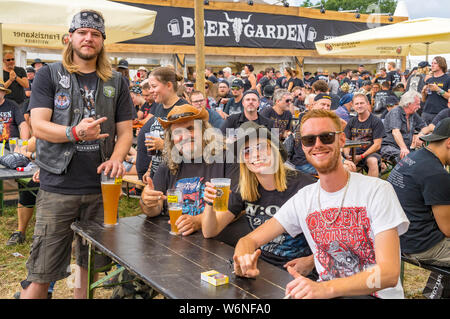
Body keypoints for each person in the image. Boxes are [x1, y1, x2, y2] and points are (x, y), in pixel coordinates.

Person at [232, 109, 409, 299]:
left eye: (326, 137)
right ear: (303, 146)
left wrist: (326, 288)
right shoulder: (304, 198)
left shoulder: (377, 190)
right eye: (309, 140)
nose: (317, 145)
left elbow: (389, 274)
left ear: (341, 140)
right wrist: (243, 260)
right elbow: (248, 240)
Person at [21, 9, 133, 299]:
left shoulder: (116, 82)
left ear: (102, 41)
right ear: (70, 38)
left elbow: (126, 132)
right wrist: (75, 132)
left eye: (95, 34)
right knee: (42, 272)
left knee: (89, 266)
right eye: (82, 32)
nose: (88, 38)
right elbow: (39, 126)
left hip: (100, 188)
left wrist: (117, 158)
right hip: (59, 185)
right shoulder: (49, 74)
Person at [202, 121, 317, 275]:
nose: (255, 155)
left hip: (299, 272)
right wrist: (209, 204)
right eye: (247, 151)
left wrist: (312, 261)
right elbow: (210, 231)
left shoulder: (304, 185)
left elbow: (337, 239)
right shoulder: (245, 188)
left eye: (261, 147)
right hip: (263, 267)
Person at [140, 103, 238, 230]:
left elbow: (235, 208)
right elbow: (155, 209)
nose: (184, 136)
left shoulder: (226, 159)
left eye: (190, 128)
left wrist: (198, 221)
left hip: (217, 242)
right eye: (177, 132)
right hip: (174, 242)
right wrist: (147, 202)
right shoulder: (168, 164)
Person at [388, 117, 450, 269]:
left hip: (400, 236)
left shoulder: (414, 156)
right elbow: (448, 229)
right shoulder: (436, 174)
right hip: (421, 245)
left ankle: (436, 292)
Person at [136, 67, 188, 183]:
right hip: (158, 175)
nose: (150, 91)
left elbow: (194, 149)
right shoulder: (159, 107)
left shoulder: (184, 110)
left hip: (176, 178)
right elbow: (155, 146)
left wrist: (164, 145)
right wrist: (150, 170)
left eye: (154, 86)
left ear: (169, 85)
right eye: (150, 87)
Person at [343, 93, 385, 177]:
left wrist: (362, 156)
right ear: (353, 106)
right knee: (345, 166)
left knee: (372, 161)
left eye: (361, 103)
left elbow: (377, 145)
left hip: (370, 153)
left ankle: (371, 188)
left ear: (367, 104)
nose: (359, 106)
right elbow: (346, 141)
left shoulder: (376, 121)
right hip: (353, 153)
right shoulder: (351, 121)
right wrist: (347, 155)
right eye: (356, 104)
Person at [381, 91, 426, 164]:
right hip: (388, 147)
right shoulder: (395, 112)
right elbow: (395, 132)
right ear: (409, 104)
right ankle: (400, 174)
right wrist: (403, 148)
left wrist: (421, 134)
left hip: (405, 149)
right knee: (409, 161)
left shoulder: (413, 114)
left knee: (423, 157)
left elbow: (424, 127)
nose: (419, 107)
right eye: (417, 104)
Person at [0, 81, 30, 147]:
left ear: (4, 92)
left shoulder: (12, 105)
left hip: (11, 145)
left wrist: (24, 145)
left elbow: (23, 125)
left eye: (1, 90)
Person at [421, 56, 450, 124]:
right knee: (424, 133)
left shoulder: (448, 79)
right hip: (426, 112)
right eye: (432, 63)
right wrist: (423, 92)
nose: (432, 65)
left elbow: (449, 96)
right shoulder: (429, 80)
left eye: (435, 63)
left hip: (441, 113)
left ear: (441, 65)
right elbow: (423, 99)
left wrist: (438, 89)